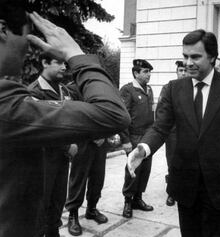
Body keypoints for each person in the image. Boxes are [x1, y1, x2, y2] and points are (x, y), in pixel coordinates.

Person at [0, 5, 130, 237]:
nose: (27, 50)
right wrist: (75, 54)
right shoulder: (7, 105)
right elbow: (113, 113)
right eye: (26, 37)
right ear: (2, 30)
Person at [127, 29, 220, 236]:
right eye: (185, 56)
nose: (188, 62)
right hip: (185, 184)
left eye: (195, 56)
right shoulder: (174, 88)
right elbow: (160, 127)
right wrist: (143, 148)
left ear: (212, 57)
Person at [28, 52, 76, 237]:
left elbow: (71, 119)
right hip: (43, 159)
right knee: (41, 203)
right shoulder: (34, 92)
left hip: (61, 158)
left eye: (65, 63)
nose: (64, 67)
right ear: (45, 63)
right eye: (59, 63)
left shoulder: (64, 90)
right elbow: (40, 128)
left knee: (57, 201)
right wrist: (67, 145)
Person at [121, 59, 155, 218]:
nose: (149, 75)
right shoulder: (128, 90)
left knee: (145, 169)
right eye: (146, 72)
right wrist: (125, 139)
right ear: (136, 73)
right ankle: (128, 201)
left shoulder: (149, 89)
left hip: (148, 136)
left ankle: (138, 198)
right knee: (133, 168)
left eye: (149, 72)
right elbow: (122, 116)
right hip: (134, 136)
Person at [65, 138, 110, 236]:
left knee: (98, 177)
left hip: (101, 142)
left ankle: (91, 209)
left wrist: (104, 135)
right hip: (83, 139)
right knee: (78, 178)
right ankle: (73, 214)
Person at [161, 60, 186, 207]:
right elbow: (162, 113)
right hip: (173, 133)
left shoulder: (193, 87)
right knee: (172, 162)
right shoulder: (168, 88)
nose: (183, 73)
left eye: (185, 70)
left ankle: (183, 191)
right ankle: (171, 192)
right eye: (180, 70)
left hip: (189, 133)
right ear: (176, 72)